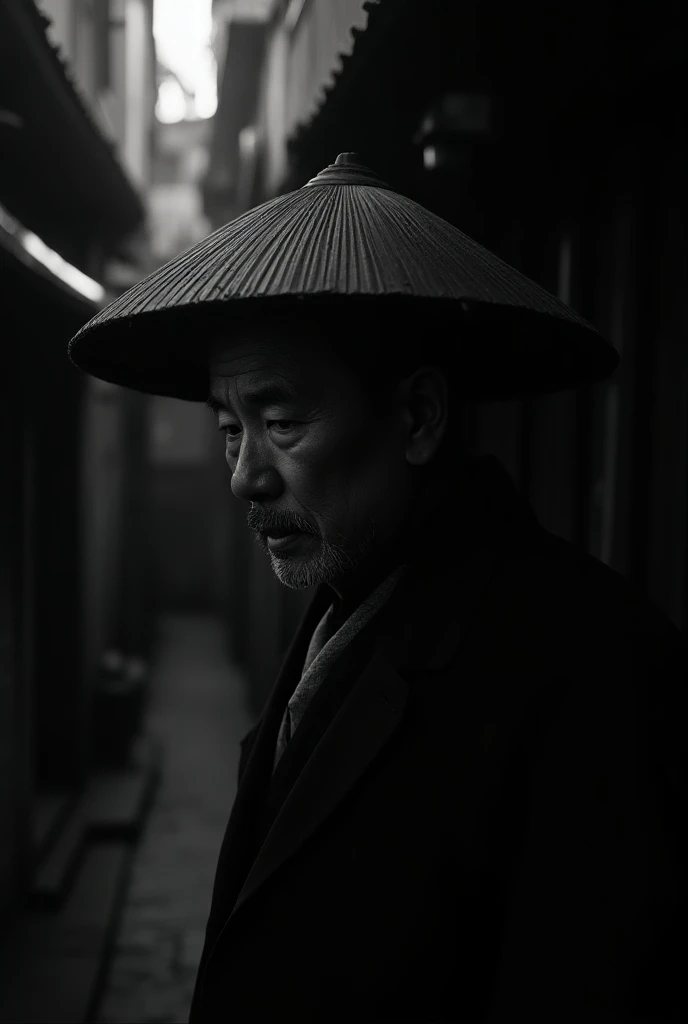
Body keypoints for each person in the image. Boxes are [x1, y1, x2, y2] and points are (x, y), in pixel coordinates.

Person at [68, 154, 687, 1021]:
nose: (246, 475)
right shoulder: (349, 606)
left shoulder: (595, 671)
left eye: (282, 423)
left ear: (419, 418)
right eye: (227, 429)